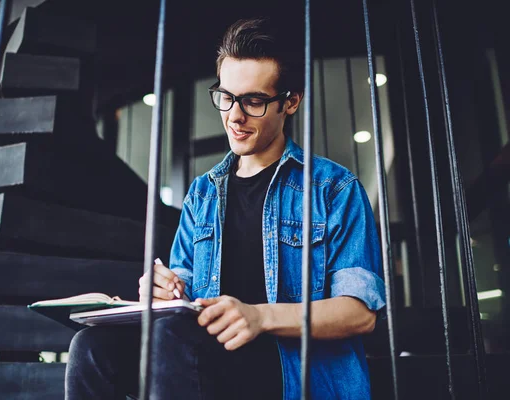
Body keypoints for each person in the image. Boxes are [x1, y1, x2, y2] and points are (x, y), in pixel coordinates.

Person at [65, 16, 386, 400]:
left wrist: (260, 317)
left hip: (291, 378)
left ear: (291, 102)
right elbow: (180, 301)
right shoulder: (202, 195)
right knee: (91, 346)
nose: (234, 116)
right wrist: (163, 294)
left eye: (253, 101)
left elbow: (360, 314)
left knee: (171, 337)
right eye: (226, 97)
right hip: (204, 369)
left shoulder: (334, 188)